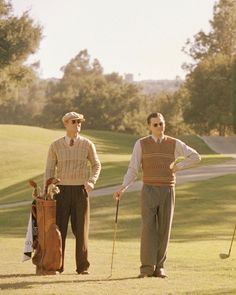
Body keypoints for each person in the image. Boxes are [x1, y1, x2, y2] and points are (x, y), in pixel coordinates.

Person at [113, 112, 201, 278]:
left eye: (161, 123)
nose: (159, 127)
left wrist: (179, 166)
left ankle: (159, 267)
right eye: (156, 125)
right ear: (149, 127)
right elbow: (133, 169)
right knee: (148, 229)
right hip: (149, 190)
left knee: (164, 229)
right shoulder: (141, 144)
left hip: (168, 190)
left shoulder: (174, 143)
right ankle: (146, 268)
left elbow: (196, 157)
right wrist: (123, 187)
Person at [44, 111, 101, 275]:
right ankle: (57, 266)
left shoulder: (87, 144)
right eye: (74, 122)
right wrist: (48, 190)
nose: (78, 125)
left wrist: (91, 181)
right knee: (59, 230)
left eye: (79, 122)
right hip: (60, 191)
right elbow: (49, 170)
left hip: (80, 191)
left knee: (81, 230)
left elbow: (97, 165)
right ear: (66, 124)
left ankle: (82, 267)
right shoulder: (55, 145)